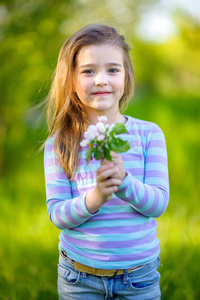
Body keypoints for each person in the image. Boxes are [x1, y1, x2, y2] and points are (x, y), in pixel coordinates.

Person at [44, 23, 169, 300]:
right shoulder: (60, 142)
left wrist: (124, 183)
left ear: (126, 76)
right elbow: (57, 214)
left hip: (139, 277)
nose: (101, 79)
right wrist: (96, 198)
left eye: (113, 69)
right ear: (71, 80)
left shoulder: (149, 134)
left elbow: (158, 204)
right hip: (79, 278)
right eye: (88, 71)